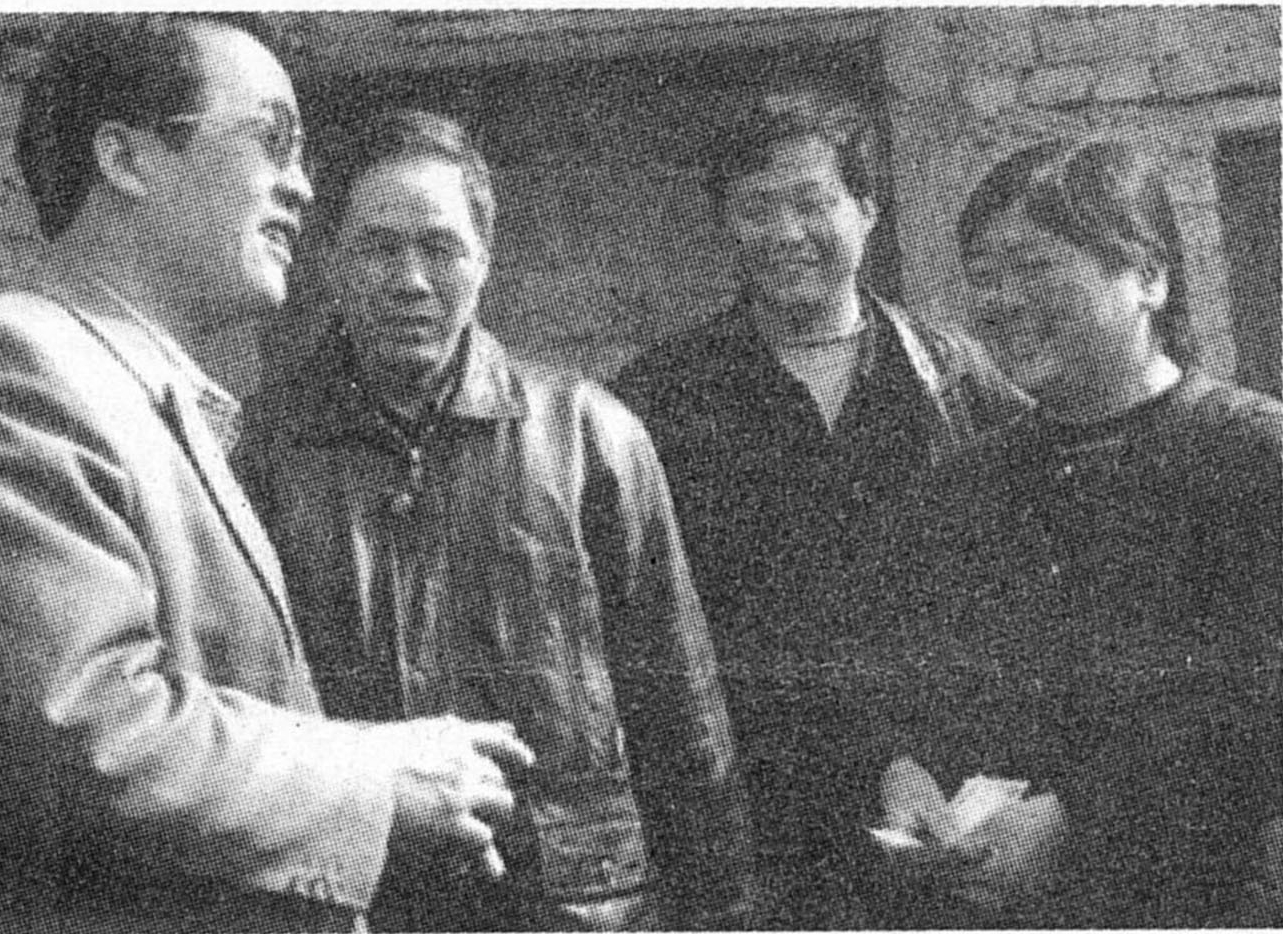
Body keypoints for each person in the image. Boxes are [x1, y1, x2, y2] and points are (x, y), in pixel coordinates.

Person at [0, 16, 533, 934]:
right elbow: (82, 724)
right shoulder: (19, 365)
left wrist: (370, 754)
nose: (302, 187)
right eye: (272, 139)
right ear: (125, 157)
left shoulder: (143, 391)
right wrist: (370, 774)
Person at [233, 108, 753, 932]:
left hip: (571, 910)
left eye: (440, 247)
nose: (411, 280)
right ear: (329, 261)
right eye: (378, 247)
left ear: (484, 258)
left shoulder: (591, 436)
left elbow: (682, 713)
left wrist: (719, 915)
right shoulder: (260, 451)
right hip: (359, 907)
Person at [609, 95, 1026, 928]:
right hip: (751, 833)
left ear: (867, 209)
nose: (787, 233)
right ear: (725, 224)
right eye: (756, 208)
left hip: (936, 821)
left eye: (812, 202)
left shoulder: (954, 380)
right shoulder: (657, 400)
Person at [856, 137, 1282, 926]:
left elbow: (1257, 717)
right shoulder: (964, 487)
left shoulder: (1253, 458)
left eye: (1034, 267)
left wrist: (1078, 818)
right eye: (985, 276)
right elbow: (908, 683)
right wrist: (905, 769)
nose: (1003, 301)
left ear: (1149, 276)